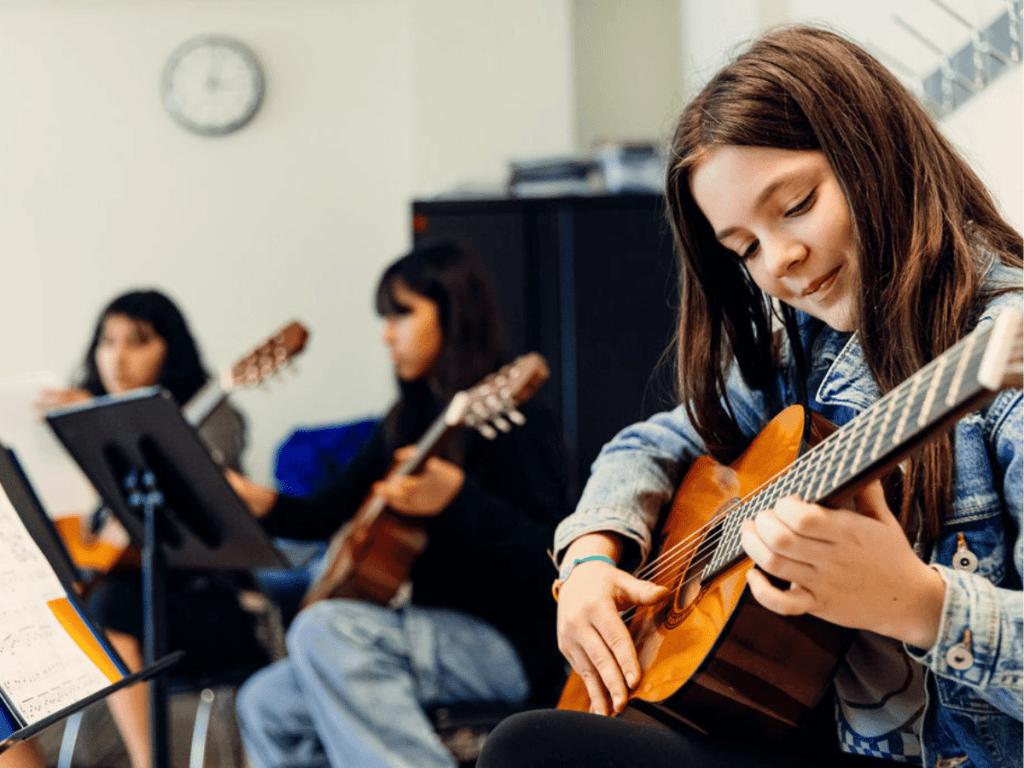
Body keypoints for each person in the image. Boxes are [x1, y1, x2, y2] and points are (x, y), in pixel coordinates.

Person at [477, 24, 1022, 768]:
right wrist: (588, 559)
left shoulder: (1003, 362)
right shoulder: (801, 350)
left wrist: (919, 605)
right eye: (745, 249)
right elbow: (653, 443)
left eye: (796, 205)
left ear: (876, 151)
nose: (782, 261)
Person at [228, 241, 571, 768]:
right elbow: (328, 512)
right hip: (419, 635)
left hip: (508, 646)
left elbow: (553, 556)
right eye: (384, 317)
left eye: (402, 313)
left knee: (323, 629)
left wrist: (458, 498)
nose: (387, 333)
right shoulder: (407, 421)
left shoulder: (515, 422)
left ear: (454, 314)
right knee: (265, 702)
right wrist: (261, 502)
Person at [34, 289, 266, 768]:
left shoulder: (216, 417)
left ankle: (148, 761)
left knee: (112, 605)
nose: (117, 358)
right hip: (112, 595)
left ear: (170, 351)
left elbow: (194, 525)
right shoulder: (75, 419)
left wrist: (103, 429)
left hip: (201, 601)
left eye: (137, 342)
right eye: (107, 341)